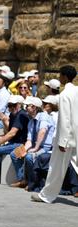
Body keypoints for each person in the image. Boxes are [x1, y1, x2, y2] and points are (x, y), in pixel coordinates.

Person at [32, 65, 78, 204]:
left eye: (60, 75)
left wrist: (62, 141)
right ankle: (46, 194)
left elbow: (65, 119)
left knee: (56, 167)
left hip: (67, 137)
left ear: (64, 76)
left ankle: (47, 195)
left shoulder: (64, 94)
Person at [10, 97, 55, 188]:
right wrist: (24, 149)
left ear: (34, 107)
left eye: (27, 106)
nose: (25, 108)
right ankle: (23, 180)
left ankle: (32, 182)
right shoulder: (31, 121)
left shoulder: (44, 117)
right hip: (36, 146)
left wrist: (35, 148)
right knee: (15, 154)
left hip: (46, 147)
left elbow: (42, 131)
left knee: (29, 157)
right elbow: (29, 140)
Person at [0, 95, 30, 182]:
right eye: (9, 105)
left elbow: (12, 133)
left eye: (13, 105)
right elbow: (8, 132)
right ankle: (0, 172)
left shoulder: (21, 115)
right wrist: (4, 121)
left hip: (21, 143)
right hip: (13, 142)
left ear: (19, 105)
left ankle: (0, 173)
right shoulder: (13, 115)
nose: (11, 107)